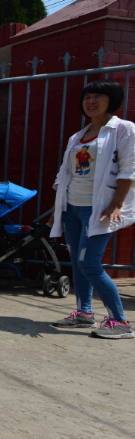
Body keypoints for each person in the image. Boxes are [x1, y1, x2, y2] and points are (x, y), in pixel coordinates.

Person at [49, 79, 134, 339]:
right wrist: (58, 207)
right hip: (72, 207)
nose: (91, 101)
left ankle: (120, 321)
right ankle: (84, 313)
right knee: (76, 260)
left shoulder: (124, 129)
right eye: (87, 97)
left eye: (98, 96)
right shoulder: (78, 136)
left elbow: (129, 169)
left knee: (89, 263)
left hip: (99, 209)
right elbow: (66, 173)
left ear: (112, 101)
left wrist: (116, 204)